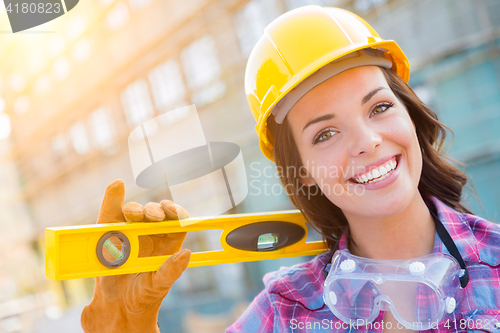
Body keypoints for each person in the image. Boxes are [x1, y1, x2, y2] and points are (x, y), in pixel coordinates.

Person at [81, 5, 500, 333]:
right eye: (325, 134)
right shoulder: (286, 310)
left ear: (410, 114)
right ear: (301, 171)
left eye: (380, 107)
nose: (368, 141)